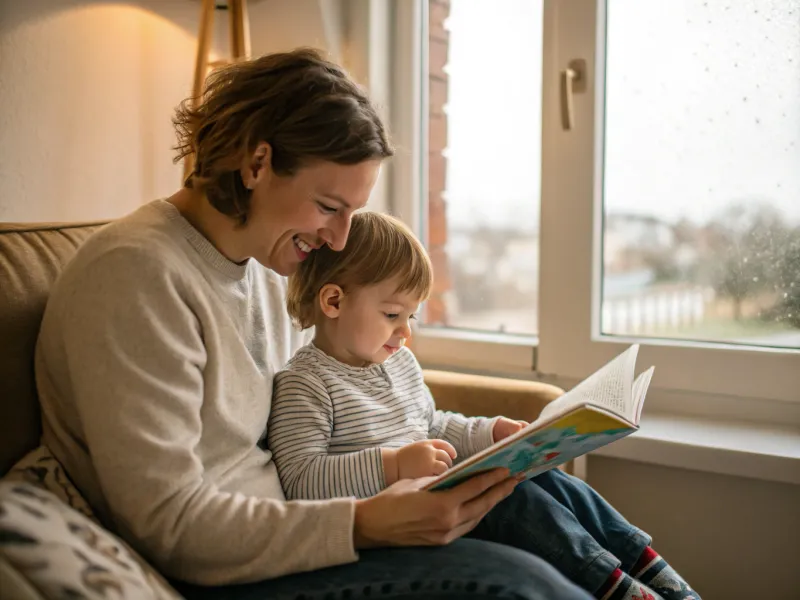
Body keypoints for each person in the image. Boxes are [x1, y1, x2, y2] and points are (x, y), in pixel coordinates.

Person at [34, 48, 593, 599]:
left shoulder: (267, 267)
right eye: (329, 206)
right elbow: (169, 523)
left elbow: (338, 391)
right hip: (225, 569)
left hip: (300, 530)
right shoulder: (135, 274)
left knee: (541, 494)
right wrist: (366, 523)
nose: (340, 239)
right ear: (257, 165)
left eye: (352, 212)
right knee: (520, 584)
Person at [269, 211, 701, 600]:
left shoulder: (398, 364)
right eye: (391, 314)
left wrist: (489, 433)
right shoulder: (304, 384)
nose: (405, 332)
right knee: (514, 503)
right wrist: (394, 465)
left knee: (549, 481)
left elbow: (433, 425)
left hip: (431, 496)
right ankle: (613, 586)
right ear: (333, 302)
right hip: (393, 528)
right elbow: (302, 482)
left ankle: (651, 569)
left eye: (411, 318)